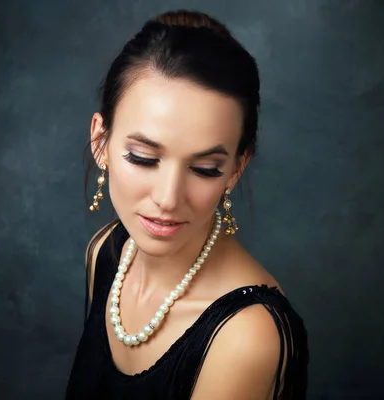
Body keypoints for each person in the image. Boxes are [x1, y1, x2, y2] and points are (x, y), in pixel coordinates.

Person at [65, 9, 309, 399]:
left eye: (205, 168)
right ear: (101, 142)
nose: (168, 198)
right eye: (143, 158)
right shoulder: (106, 253)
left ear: (235, 169)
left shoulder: (246, 334)